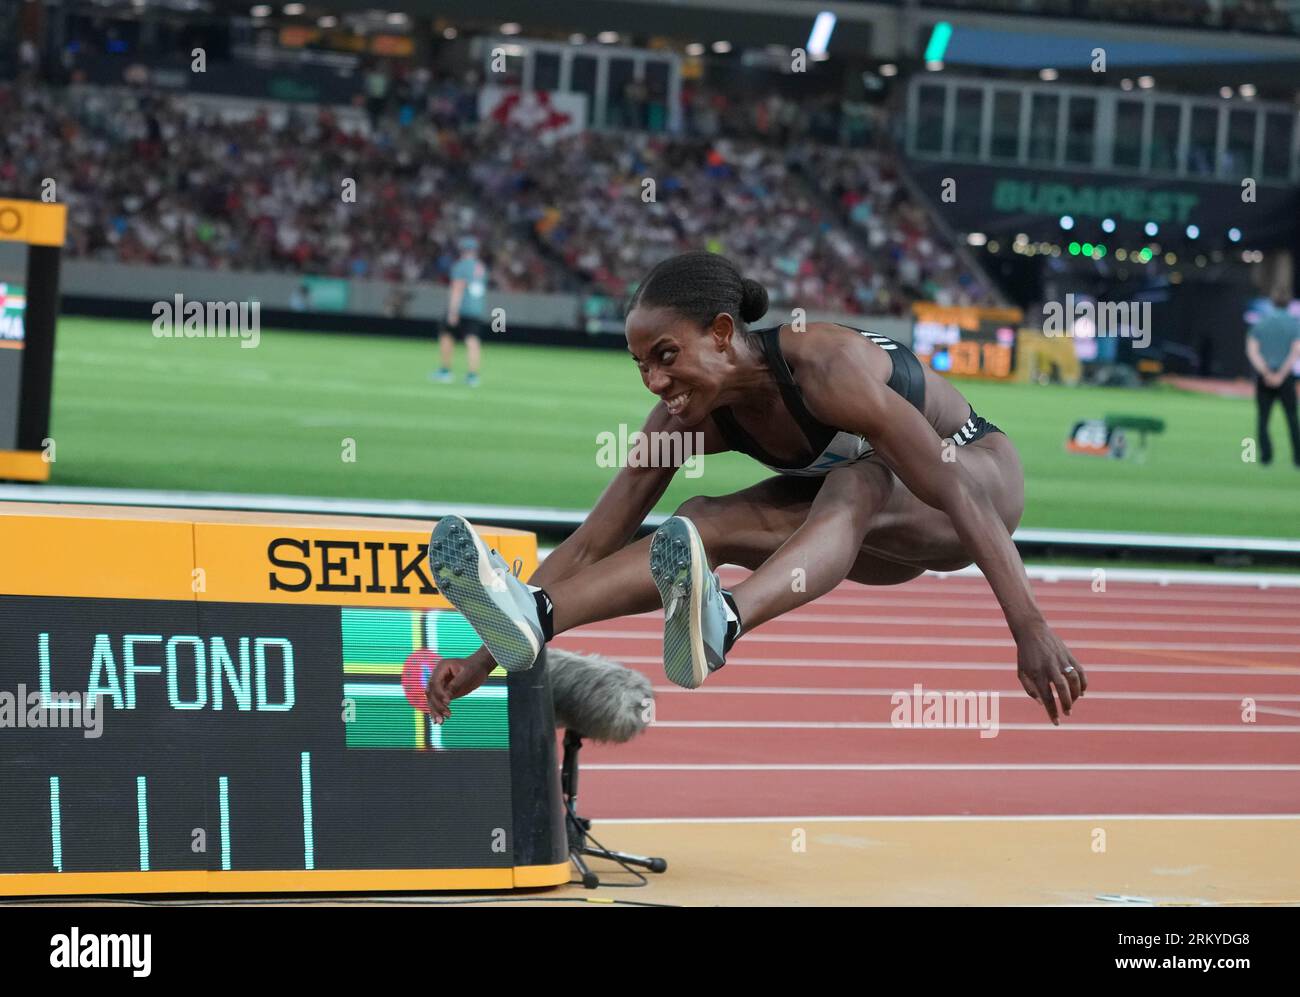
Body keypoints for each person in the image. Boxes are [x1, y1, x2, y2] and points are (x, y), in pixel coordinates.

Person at [426, 252, 1086, 725]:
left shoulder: (823, 366)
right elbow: (598, 536)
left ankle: (726, 618)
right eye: (640, 365)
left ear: (719, 333)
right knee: (696, 520)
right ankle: (536, 616)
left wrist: (1028, 626)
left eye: (665, 355)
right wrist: (484, 658)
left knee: (858, 481)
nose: (655, 382)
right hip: (861, 538)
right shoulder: (685, 418)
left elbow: (955, 490)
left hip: (975, 488)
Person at [1246, 289, 1300, 467]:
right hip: (1286, 377)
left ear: (1272, 302)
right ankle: (1297, 458)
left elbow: (1252, 350)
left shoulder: (1262, 323)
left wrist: (1266, 372)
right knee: (1292, 418)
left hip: (1265, 377)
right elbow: (1295, 351)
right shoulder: (1294, 324)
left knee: (1263, 419)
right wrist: (1281, 375)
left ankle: (1265, 457)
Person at [434, 236, 488, 386]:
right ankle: (472, 375)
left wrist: (453, 311)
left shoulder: (461, 266)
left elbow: (457, 289)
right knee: (473, 341)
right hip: (476, 309)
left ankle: (445, 371)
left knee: (446, 335)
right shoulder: (481, 268)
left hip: (462, 308)